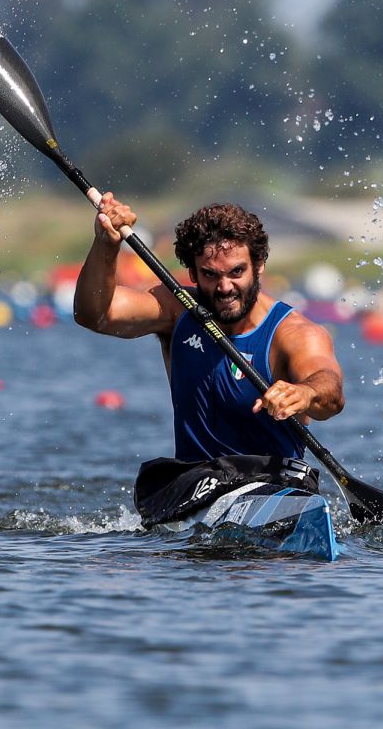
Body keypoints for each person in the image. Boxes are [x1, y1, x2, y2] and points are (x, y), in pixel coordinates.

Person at [73, 195, 345, 526]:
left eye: (237, 272)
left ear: (259, 265)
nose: (225, 287)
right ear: (192, 273)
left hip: (275, 484)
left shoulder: (295, 334)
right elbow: (94, 315)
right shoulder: (176, 309)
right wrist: (106, 245)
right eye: (211, 275)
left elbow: (330, 392)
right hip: (196, 484)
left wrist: (306, 393)